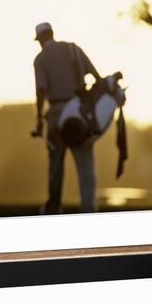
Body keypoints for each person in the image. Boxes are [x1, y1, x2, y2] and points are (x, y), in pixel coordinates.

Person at [31, 22, 101, 214]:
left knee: (56, 166)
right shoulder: (73, 49)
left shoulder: (40, 59)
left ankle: (54, 208)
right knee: (85, 165)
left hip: (56, 113)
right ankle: (89, 210)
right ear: (52, 34)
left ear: (40, 39)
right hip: (79, 113)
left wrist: (38, 120)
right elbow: (96, 76)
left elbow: (41, 92)